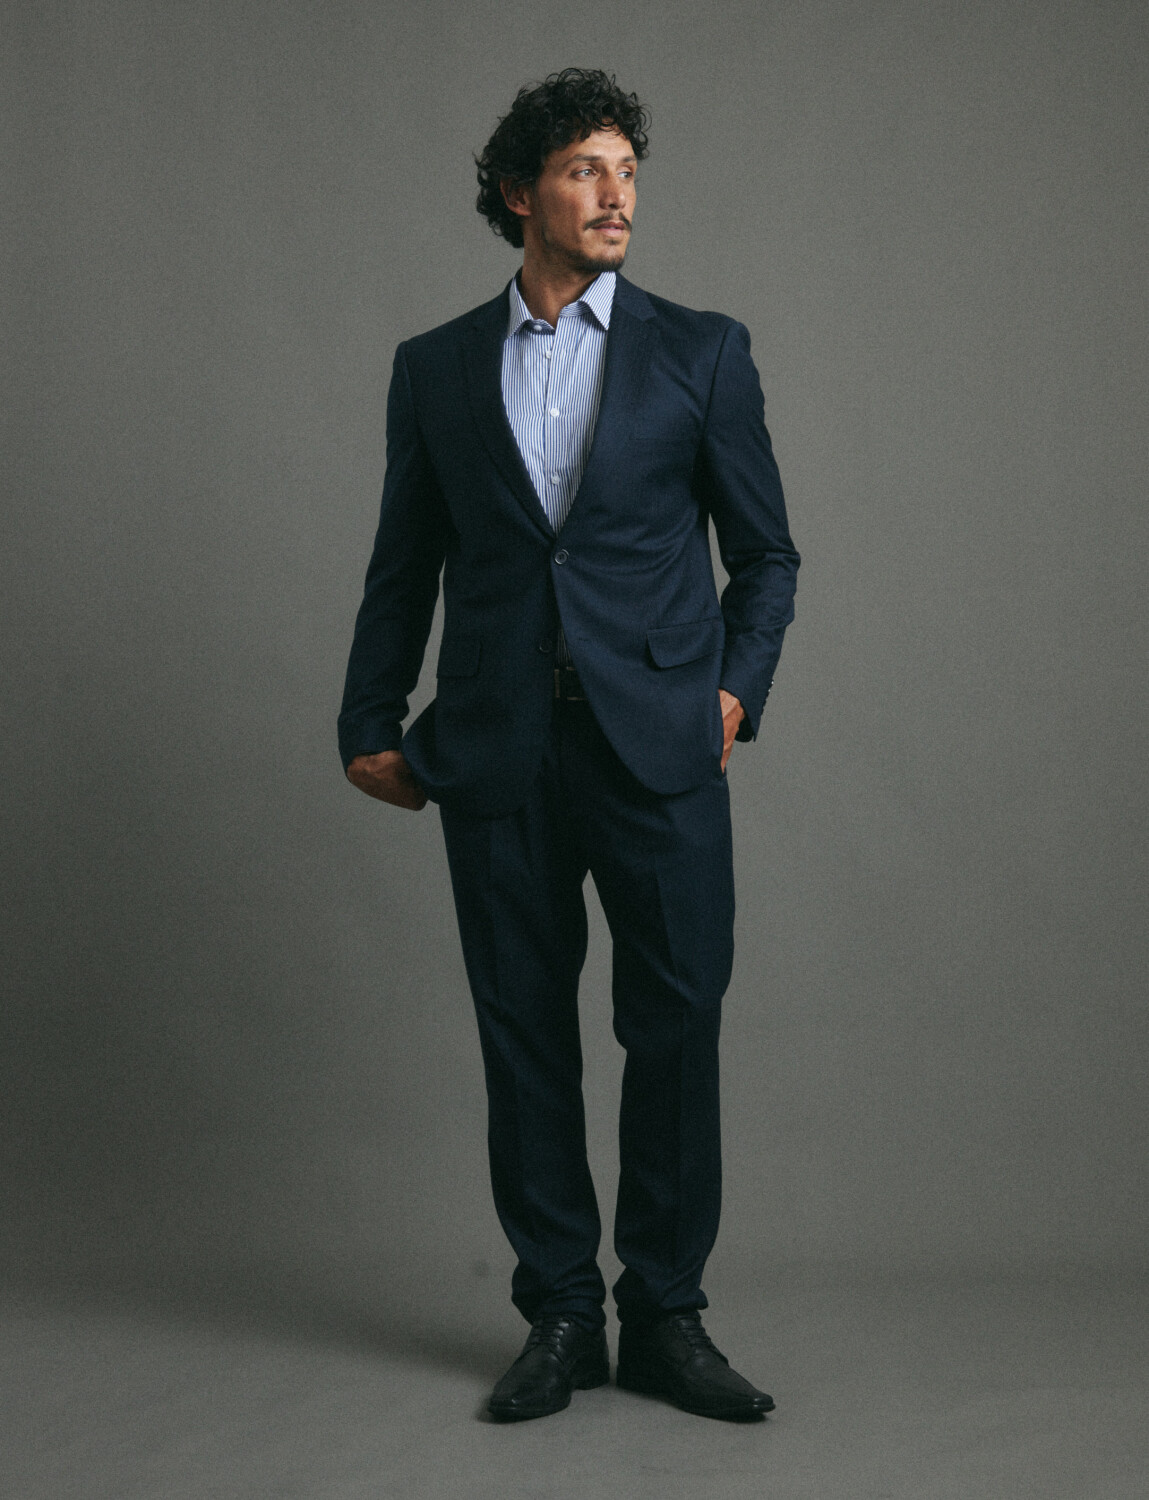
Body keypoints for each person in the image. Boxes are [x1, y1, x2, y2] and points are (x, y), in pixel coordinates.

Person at [338, 68, 799, 1423]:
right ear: (517, 192)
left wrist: (734, 693)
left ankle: (666, 1317)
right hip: (496, 754)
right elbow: (402, 564)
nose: (616, 196)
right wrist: (367, 720)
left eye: (627, 172)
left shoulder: (701, 351)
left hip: (659, 749)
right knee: (523, 1033)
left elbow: (766, 555)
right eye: (586, 170)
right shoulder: (434, 368)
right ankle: (558, 1314)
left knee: (676, 1026)